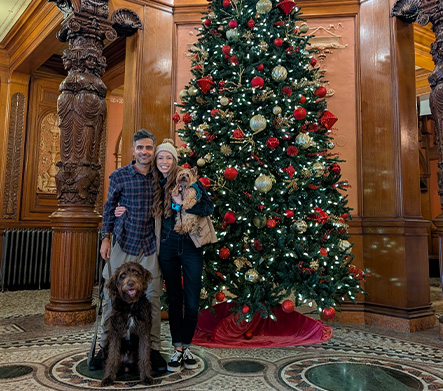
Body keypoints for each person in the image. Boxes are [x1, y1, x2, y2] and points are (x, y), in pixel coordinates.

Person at [115, 139, 216, 373]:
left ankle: (187, 346)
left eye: (168, 157)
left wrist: (184, 206)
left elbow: (209, 208)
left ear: (175, 160)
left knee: (191, 302)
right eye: (160, 157)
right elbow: (137, 201)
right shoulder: (154, 183)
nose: (163, 161)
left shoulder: (190, 179)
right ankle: (177, 348)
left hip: (191, 246)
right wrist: (120, 208)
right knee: (174, 299)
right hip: (167, 248)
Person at [96, 128, 167, 373]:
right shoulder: (119, 176)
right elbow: (109, 207)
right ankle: (106, 346)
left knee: (154, 299)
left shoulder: (161, 177)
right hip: (124, 243)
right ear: (133, 150)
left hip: (150, 247)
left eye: (149, 147)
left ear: (154, 150)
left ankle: (153, 350)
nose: (144, 152)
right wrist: (106, 238)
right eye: (140, 147)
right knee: (111, 297)